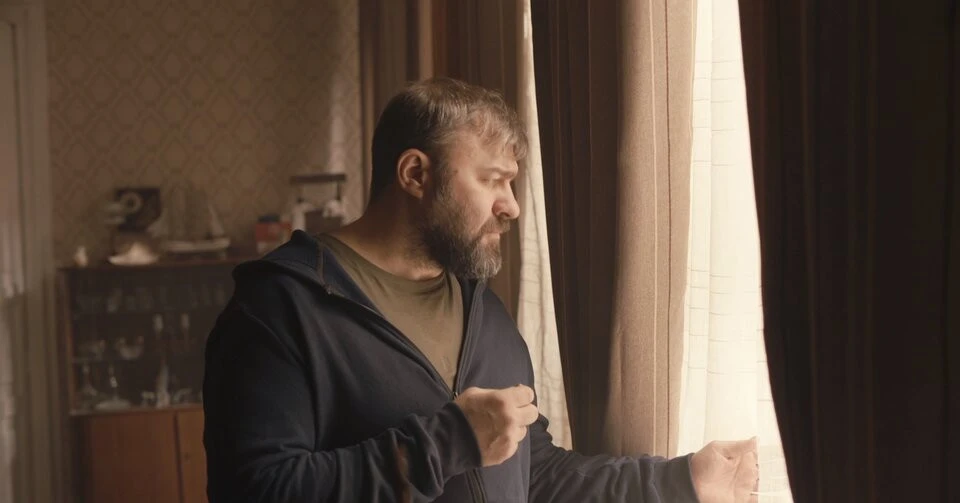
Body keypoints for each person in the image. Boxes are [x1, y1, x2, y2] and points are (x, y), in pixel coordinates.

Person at [202, 77, 759, 502]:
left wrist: (680, 481)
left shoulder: (482, 311)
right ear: (415, 174)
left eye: (512, 184)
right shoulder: (279, 308)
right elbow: (256, 489)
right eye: (492, 180)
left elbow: (533, 473)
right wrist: (444, 444)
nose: (511, 206)